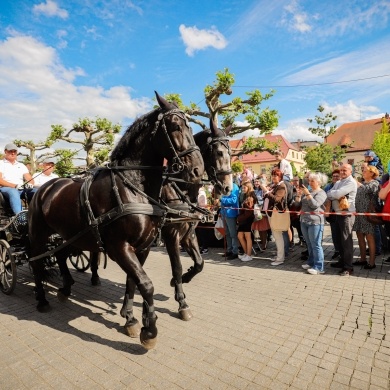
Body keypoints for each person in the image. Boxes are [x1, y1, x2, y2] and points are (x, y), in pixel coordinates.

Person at [327, 164, 357, 276]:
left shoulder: (351, 182)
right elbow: (328, 194)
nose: (342, 172)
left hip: (347, 215)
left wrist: (335, 194)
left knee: (346, 241)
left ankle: (348, 267)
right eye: (341, 170)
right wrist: (335, 194)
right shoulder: (339, 182)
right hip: (338, 214)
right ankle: (342, 262)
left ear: (350, 171)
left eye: (345, 170)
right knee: (339, 240)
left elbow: (336, 193)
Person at [298, 172, 328, 275]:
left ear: (319, 182)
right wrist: (298, 196)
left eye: (312, 181)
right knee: (309, 244)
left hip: (315, 222)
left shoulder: (321, 193)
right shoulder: (309, 191)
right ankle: (311, 262)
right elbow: (299, 204)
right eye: (309, 180)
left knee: (316, 245)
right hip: (304, 221)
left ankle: (319, 267)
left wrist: (307, 194)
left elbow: (314, 205)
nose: (310, 183)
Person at [352, 166, 380, 269]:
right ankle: (362, 259)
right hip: (359, 214)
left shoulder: (374, 183)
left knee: (369, 237)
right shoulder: (362, 183)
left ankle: (372, 262)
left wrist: (357, 183)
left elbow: (369, 190)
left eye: (365, 171)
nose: (363, 172)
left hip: (368, 215)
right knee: (359, 236)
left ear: (372, 173)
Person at [0, 143, 36, 215]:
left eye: (14, 151)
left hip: (21, 188)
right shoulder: (1, 163)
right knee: (14, 192)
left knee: (36, 191)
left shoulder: (21, 165)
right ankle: (20, 217)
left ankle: (35, 215)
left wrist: (30, 184)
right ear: (5, 152)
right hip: (5, 189)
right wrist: (15, 186)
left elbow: (30, 179)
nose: (13, 153)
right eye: (10, 151)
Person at [262, 168, 288, 266]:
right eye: (273, 175)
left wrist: (267, 192)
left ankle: (280, 258)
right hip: (271, 213)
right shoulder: (275, 186)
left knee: (278, 236)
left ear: (280, 176)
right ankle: (279, 255)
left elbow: (276, 199)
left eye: (275, 175)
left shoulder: (281, 186)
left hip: (276, 214)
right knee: (276, 236)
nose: (273, 177)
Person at [217, 182, 240, 260]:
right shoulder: (224, 186)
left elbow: (234, 200)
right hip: (225, 213)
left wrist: (221, 199)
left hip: (231, 213)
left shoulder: (234, 187)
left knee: (233, 233)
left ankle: (235, 252)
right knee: (227, 233)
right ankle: (229, 250)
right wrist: (221, 212)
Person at [324, 169, 342, 260]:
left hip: (341, 213)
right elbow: (325, 198)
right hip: (331, 214)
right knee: (334, 233)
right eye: (333, 176)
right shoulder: (328, 187)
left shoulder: (342, 186)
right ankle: (337, 250)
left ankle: (342, 252)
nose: (335, 178)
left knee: (341, 234)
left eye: (337, 176)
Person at [237, 180, 257, 262]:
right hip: (243, 219)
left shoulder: (250, 197)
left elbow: (249, 211)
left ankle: (249, 255)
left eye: (244, 187)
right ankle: (246, 253)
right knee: (240, 236)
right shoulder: (245, 196)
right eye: (242, 187)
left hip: (247, 219)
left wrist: (240, 218)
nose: (243, 189)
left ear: (248, 188)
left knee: (247, 236)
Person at [252, 178, 270, 250]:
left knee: (263, 229)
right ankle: (262, 243)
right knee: (259, 228)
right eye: (255, 181)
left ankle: (264, 244)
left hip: (262, 211)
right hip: (256, 211)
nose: (256, 183)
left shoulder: (263, 190)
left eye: (257, 182)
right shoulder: (253, 190)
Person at [196, 185, 209, 255]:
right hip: (197, 215)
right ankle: (201, 246)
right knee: (199, 232)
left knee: (203, 232)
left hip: (201, 215)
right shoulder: (198, 193)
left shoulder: (201, 193)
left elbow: (202, 205)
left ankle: (205, 247)